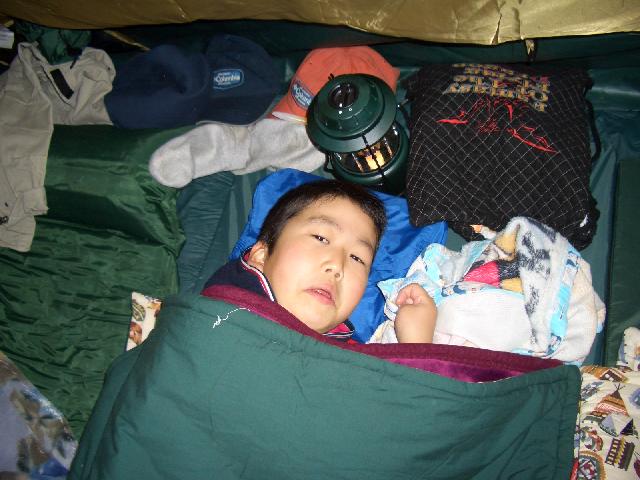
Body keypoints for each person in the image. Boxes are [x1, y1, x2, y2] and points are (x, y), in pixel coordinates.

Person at [201, 179, 437, 343]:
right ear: (261, 256)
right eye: (321, 238)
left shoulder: (356, 366)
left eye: (357, 258)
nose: (337, 266)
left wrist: (417, 345)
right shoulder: (212, 318)